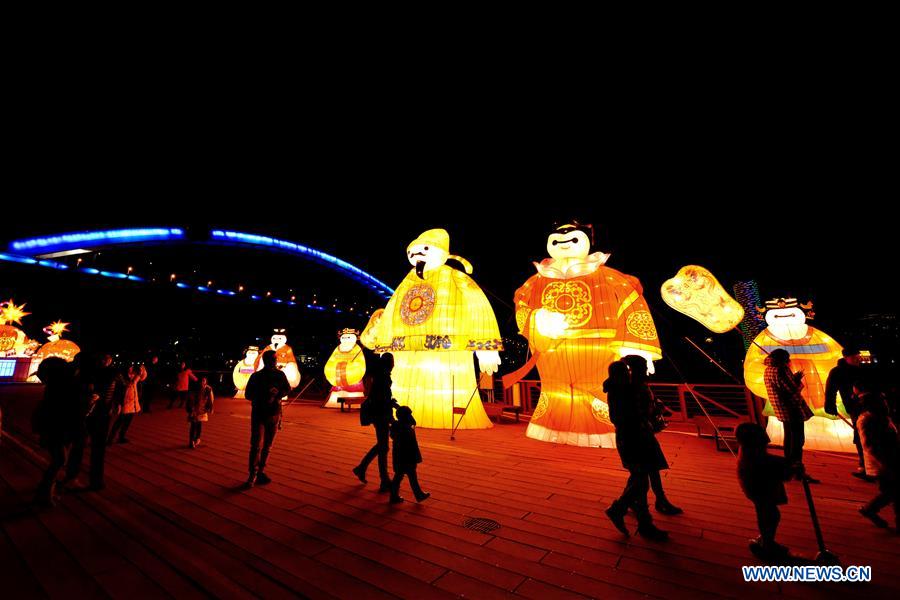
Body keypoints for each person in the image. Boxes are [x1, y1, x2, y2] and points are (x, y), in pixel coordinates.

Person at [603, 359, 668, 540]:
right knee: (640, 479)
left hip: (632, 437)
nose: (628, 373)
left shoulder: (622, 389)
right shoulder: (623, 391)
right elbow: (626, 415)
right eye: (625, 371)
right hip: (633, 438)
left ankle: (643, 521)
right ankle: (621, 510)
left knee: (638, 478)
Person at [623, 354, 682, 515]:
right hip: (639, 434)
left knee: (649, 469)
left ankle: (658, 500)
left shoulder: (639, 385)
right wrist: (651, 410)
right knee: (641, 472)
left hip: (644, 432)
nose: (646, 370)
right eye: (643, 367)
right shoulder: (632, 387)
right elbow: (635, 411)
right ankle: (628, 504)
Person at [735, 422, 793, 559]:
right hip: (760, 489)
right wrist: (788, 466)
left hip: (755, 488)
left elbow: (769, 461)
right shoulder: (754, 458)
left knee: (767, 513)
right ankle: (767, 543)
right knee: (769, 515)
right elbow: (768, 465)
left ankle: (766, 540)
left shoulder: (749, 452)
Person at [763, 349, 818, 483]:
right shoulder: (780, 369)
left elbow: (780, 386)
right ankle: (797, 469)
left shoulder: (768, 370)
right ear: (784, 359)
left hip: (781, 408)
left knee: (789, 437)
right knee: (798, 439)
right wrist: (797, 380)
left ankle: (789, 466)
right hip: (791, 407)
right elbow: (791, 389)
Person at [32, 357, 81, 506]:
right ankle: (44, 493)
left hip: (53, 426)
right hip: (57, 427)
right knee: (60, 459)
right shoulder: (63, 385)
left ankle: (46, 491)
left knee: (59, 459)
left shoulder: (55, 385)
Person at [243, 350, 290, 488]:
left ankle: (258, 472)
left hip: (272, 414)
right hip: (261, 414)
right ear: (268, 360)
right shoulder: (257, 376)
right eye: (274, 359)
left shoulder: (278, 375)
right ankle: (254, 473)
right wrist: (266, 395)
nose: (275, 361)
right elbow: (248, 394)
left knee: (262, 446)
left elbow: (286, 389)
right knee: (258, 445)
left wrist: (278, 394)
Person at [857, 382, 899, 532]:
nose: (886, 403)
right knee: (893, 492)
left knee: (892, 492)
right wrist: (884, 463)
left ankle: (870, 509)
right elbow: (870, 445)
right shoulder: (868, 420)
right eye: (882, 402)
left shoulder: (882, 417)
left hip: (890, 459)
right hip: (883, 463)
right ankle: (870, 509)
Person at [353, 353, 398, 492]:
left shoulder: (380, 375)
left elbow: (380, 396)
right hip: (381, 415)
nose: (393, 364)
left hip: (380, 413)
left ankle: (362, 468)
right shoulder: (383, 376)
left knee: (382, 446)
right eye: (391, 361)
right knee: (383, 447)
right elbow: (381, 398)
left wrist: (391, 403)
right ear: (389, 363)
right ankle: (383, 479)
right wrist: (390, 413)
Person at [824, 347, 866, 478]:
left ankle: (873, 464)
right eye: (854, 357)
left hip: (871, 403)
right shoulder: (838, 372)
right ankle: (864, 465)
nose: (858, 359)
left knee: (870, 434)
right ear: (846, 358)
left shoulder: (863, 370)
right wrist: (830, 404)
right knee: (861, 434)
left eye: (858, 357)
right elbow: (831, 389)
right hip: (854, 406)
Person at [389, 406, 430, 504]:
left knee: (399, 476)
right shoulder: (407, 428)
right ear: (406, 416)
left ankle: (394, 496)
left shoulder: (396, 426)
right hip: (408, 457)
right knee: (410, 476)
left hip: (399, 457)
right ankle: (417, 494)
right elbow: (413, 422)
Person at [108, 363, 147, 444]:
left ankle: (121, 437)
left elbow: (143, 377)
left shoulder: (134, 375)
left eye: (132, 367)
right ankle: (110, 439)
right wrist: (118, 403)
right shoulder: (122, 377)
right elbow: (130, 384)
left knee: (127, 422)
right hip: (124, 402)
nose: (131, 368)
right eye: (129, 367)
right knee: (119, 422)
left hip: (133, 402)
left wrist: (142, 369)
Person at [187, 375, 214, 448]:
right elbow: (190, 399)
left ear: (206, 382)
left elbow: (211, 399)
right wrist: (191, 409)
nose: (202, 382)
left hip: (202, 410)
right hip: (194, 410)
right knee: (193, 425)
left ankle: (197, 439)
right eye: (201, 381)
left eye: (204, 381)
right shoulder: (195, 389)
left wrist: (210, 408)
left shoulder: (208, 389)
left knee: (199, 424)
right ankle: (191, 441)